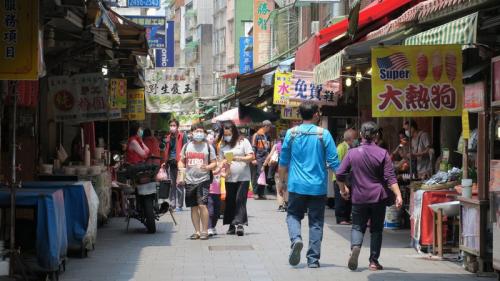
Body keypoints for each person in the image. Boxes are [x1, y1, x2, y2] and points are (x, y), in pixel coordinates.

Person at [278, 101, 340, 268]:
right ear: (315, 115)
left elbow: (283, 161)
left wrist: (281, 182)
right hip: (317, 187)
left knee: (293, 215)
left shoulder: (291, 134)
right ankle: (313, 260)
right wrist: (341, 185)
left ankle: (296, 239)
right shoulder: (323, 134)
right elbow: (334, 162)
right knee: (316, 222)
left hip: (296, 185)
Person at [336, 121, 403, 272]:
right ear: (376, 136)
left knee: (357, 226)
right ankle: (373, 262)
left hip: (359, 197)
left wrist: (343, 189)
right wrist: (398, 195)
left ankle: (355, 247)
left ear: (360, 135)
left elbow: (339, 173)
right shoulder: (383, 153)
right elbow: (390, 177)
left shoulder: (352, 153)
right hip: (378, 197)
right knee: (376, 230)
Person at [178, 124, 217, 240]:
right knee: (193, 207)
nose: (199, 133)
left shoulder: (209, 147)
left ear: (204, 133)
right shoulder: (186, 146)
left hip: (203, 180)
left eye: (201, 131)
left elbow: (214, 163)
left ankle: (205, 231)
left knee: (202, 205)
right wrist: (181, 169)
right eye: (196, 131)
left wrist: (208, 167)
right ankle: (197, 231)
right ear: (192, 133)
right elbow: (181, 161)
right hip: (189, 180)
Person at [219, 120, 255, 236]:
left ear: (234, 132)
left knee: (240, 200)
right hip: (229, 177)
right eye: (226, 134)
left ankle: (240, 225)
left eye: (230, 134)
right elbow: (220, 161)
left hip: (243, 177)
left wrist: (238, 158)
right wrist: (223, 164)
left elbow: (251, 157)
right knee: (230, 201)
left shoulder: (243, 142)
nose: (228, 136)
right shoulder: (223, 145)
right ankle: (231, 225)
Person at [332, 129, 358, 225]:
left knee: (348, 198)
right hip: (340, 179)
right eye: (355, 138)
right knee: (341, 199)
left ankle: (346, 217)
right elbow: (336, 165)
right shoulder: (341, 148)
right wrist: (340, 181)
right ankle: (341, 218)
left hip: (349, 178)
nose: (357, 140)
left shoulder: (352, 148)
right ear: (350, 139)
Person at [163, 119, 188, 212]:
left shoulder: (182, 136)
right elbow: (166, 150)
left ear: (177, 126)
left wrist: (184, 162)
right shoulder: (168, 137)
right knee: (171, 185)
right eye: (171, 125)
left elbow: (186, 148)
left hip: (180, 163)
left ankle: (180, 205)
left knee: (179, 184)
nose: (172, 127)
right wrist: (165, 162)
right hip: (170, 163)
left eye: (174, 125)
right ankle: (172, 204)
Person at [264, 131, 287, 211]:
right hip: (290, 170)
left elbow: (270, 156)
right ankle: (287, 204)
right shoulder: (292, 145)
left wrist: (264, 165)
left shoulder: (277, 145)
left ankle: (281, 206)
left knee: (279, 188)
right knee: (287, 187)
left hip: (278, 170)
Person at [252, 120, 272, 199]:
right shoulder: (256, 135)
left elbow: (269, 147)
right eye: (269, 127)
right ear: (265, 126)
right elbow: (253, 147)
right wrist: (254, 159)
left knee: (264, 175)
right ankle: (256, 192)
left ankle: (261, 193)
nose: (269, 129)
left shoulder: (268, 136)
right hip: (259, 157)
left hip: (266, 158)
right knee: (258, 174)